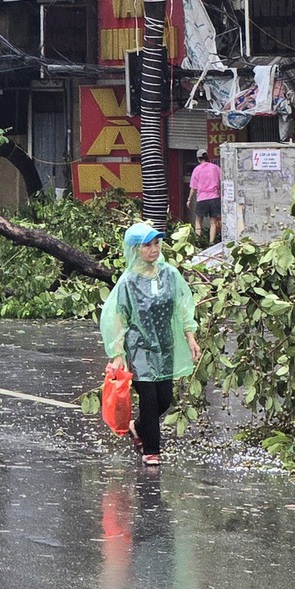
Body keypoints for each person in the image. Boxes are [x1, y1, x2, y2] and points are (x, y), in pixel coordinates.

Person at [100, 222, 200, 467]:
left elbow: (182, 306)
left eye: (156, 243)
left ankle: (138, 426)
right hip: (139, 347)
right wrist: (118, 352)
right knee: (150, 398)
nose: (153, 249)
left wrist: (190, 336)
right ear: (135, 249)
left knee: (165, 398)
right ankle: (152, 450)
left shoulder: (169, 274)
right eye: (147, 245)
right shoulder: (128, 282)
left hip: (164, 345)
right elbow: (117, 316)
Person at [189, 150, 222, 245]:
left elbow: (193, 187)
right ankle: (211, 242)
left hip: (202, 199)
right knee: (213, 221)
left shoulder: (197, 169)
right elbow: (223, 179)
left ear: (199, 159)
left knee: (198, 220)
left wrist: (189, 199)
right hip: (214, 198)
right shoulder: (215, 168)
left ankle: (198, 241)